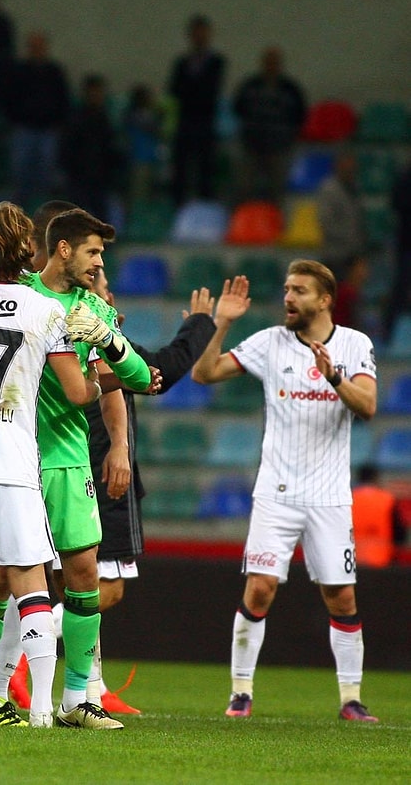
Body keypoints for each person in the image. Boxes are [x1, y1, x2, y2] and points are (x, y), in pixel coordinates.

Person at [0, 205, 154, 729]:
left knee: (83, 574)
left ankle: (78, 698)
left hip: (60, 457)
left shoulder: (93, 309)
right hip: (18, 457)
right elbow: (111, 381)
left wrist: (117, 444)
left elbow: (125, 376)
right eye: (92, 252)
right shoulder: (37, 305)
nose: (99, 265)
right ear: (59, 248)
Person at [191, 262, 379, 722]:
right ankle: (240, 693)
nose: (288, 297)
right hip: (276, 492)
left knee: (343, 598)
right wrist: (224, 323)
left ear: (324, 300)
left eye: (299, 290)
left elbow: (369, 406)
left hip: (329, 496)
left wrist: (334, 378)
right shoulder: (270, 341)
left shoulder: (355, 344)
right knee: (260, 589)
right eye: (287, 289)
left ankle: (351, 700)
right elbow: (205, 373)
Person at [83, 267, 216, 714]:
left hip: (75, 471)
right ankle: (25, 649)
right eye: (102, 287)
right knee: (107, 589)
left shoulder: (73, 343)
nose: (112, 295)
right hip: (103, 477)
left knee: (78, 584)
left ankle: (93, 687)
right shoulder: (101, 346)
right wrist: (201, 323)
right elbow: (162, 371)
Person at [3, 31, 71, 206]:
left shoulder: (55, 72)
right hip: (24, 127)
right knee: (20, 167)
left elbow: (62, 99)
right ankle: (21, 201)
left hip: (48, 128)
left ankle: (42, 201)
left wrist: (59, 122)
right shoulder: (19, 71)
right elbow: (10, 97)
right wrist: (15, 119)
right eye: (33, 46)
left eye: (39, 46)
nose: (37, 50)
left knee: (47, 166)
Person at [233, 46, 307, 203]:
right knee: (244, 188)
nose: (271, 65)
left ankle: (277, 224)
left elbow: (300, 115)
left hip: (279, 149)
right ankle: (243, 222)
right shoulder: (249, 86)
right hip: (252, 147)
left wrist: (286, 137)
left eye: (275, 62)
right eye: (268, 62)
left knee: (278, 191)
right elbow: (238, 108)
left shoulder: (291, 89)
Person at [167, 14, 225, 205]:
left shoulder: (216, 62)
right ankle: (179, 208)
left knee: (205, 171)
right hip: (185, 123)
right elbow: (175, 91)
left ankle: (204, 209)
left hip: (205, 123)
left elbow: (210, 92)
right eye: (196, 33)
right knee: (180, 171)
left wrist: (192, 91)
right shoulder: (182, 63)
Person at [59, 74, 120, 220]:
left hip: (100, 175)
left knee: (100, 215)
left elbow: (110, 147)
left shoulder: (104, 119)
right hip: (79, 176)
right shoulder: (76, 118)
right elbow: (68, 146)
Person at [315, 152, 366, 276]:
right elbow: (326, 222)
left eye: (352, 167)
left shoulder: (354, 188)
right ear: (338, 166)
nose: (350, 171)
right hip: (335, 254)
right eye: (346, 167)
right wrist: (348, 236)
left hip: (353, 253)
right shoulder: (329, 190)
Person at [350, 465, 403, 569]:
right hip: (381, 561)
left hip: (350, 561)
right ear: (376, 478)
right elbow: (399, 534)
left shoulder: (347, 500)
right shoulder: (388, 500)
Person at [383, 161, 411, 343]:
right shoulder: (405, 178)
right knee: (400, 288)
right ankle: (387, 333)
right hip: (407, 243)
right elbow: (396, 204)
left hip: (405, 243)